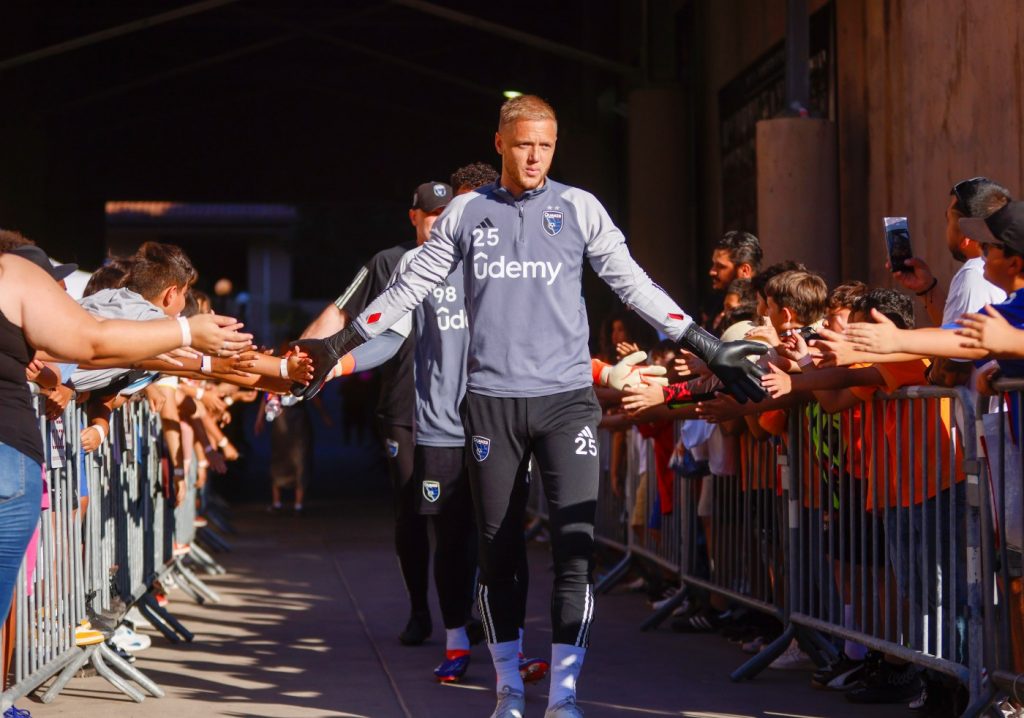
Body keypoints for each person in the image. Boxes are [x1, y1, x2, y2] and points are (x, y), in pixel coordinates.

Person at [293, 95, 766, 718]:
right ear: (500, 144)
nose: (536, 156)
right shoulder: (465, 213)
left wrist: (706, 344)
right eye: (524, 144)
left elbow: (633, 283)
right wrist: (338, 344)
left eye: (546, 144)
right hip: (490, 405)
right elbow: (408, 287)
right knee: (499, 555)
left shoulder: (578, 207)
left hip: (566, 403)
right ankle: (509, 690)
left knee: (574, 551)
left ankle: (564, 698)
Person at [0, 249, 250, 717]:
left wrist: (90, 410)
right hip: (19, 448)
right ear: (173, 294)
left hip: (29, 451)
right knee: (21, 579)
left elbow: (131, 374)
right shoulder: (134, 314)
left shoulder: (144, 324)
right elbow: (91, 346)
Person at [300, 180, 454, 646]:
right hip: (402, 410)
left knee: (453, 516)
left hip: (457, 412)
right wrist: (303, 360)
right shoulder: (391, 262)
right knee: (410, 513)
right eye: (431, 217)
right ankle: (419, 610)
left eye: (448, 216)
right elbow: (342, 313)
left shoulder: (472, 260)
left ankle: (460, 617)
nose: (440, 224)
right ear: (414, 217)